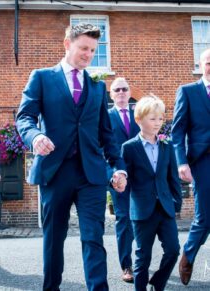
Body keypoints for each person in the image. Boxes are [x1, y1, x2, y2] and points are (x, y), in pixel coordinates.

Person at [16, 23, 127, 291]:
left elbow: (106, 133)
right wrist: (35, 137)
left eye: (93, 50)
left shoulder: (97, 87)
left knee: (93, 237)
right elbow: (24, 117)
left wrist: (118, 167)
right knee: (54, 238)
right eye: (83, 49)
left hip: (91, 173)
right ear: (67, 44)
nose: (89, 55)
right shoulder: (42, 77)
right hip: (56, 171)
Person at [121, 95, 182, 291]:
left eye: (160, 118)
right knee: (143, 257)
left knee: (173, 250)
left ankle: (157, 283)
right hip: (142, 210)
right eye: (152, 118)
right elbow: (125, 181)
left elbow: (173, 178)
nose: (157, 123)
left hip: (165, 208)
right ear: (139, 120)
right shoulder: (129, 148)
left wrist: (176, 203)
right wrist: (127, 208)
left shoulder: (167, 146)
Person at [172, 47, 210, 286]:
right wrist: (181, 161)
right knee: (205, 216)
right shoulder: (188, 91)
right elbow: (177, 132)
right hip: (202, 161)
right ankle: (188, 253)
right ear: (200, 64)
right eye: (209, 62)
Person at [106, 77, 140, 283]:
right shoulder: (106, 117)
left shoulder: (139, 114)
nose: (120, 92)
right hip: (118, 177)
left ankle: (142, 260)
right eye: (116, 89)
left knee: (143, 218)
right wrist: (112, 173)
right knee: (124, 219)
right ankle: (126, 265)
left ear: (129, 92)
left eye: (124, 89)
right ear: (111, 94)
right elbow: (101, 147)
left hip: (141, 176)